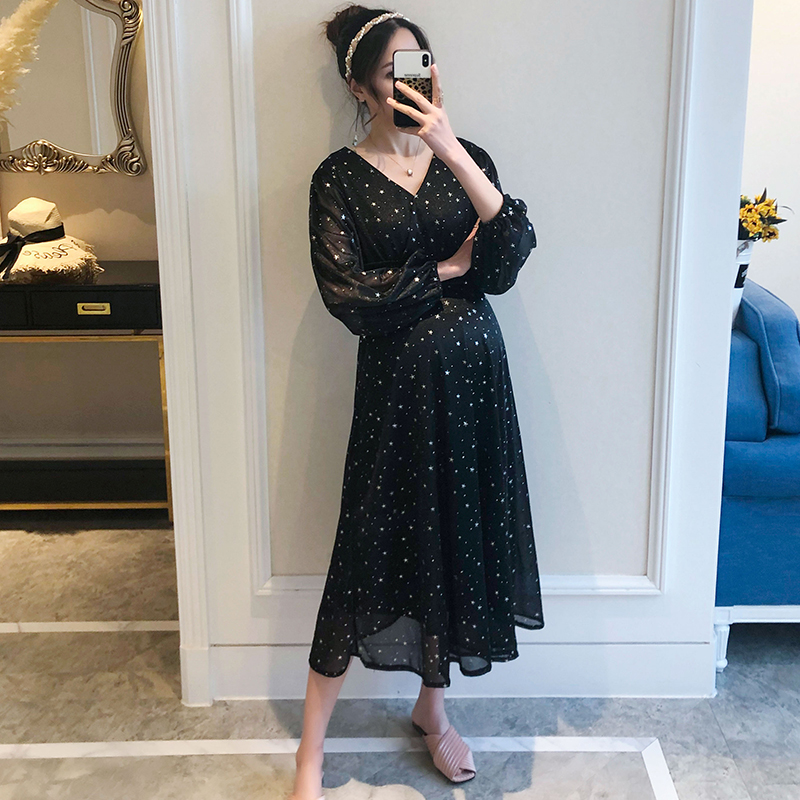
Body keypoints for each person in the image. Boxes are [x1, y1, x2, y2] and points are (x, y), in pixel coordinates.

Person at [290, 6, 544, 799]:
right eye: (396, 70)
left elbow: (509, 257)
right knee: (365, 551)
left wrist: (451, 149)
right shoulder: (336, 179)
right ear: (361, 88)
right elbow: (349, 297)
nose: (416, 81)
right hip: (395, 393)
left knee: (454, 545)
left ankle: (433, 711)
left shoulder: (469, 157)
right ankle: (309, 755)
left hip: (475, 386)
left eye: (423, 63)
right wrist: (445, 270)